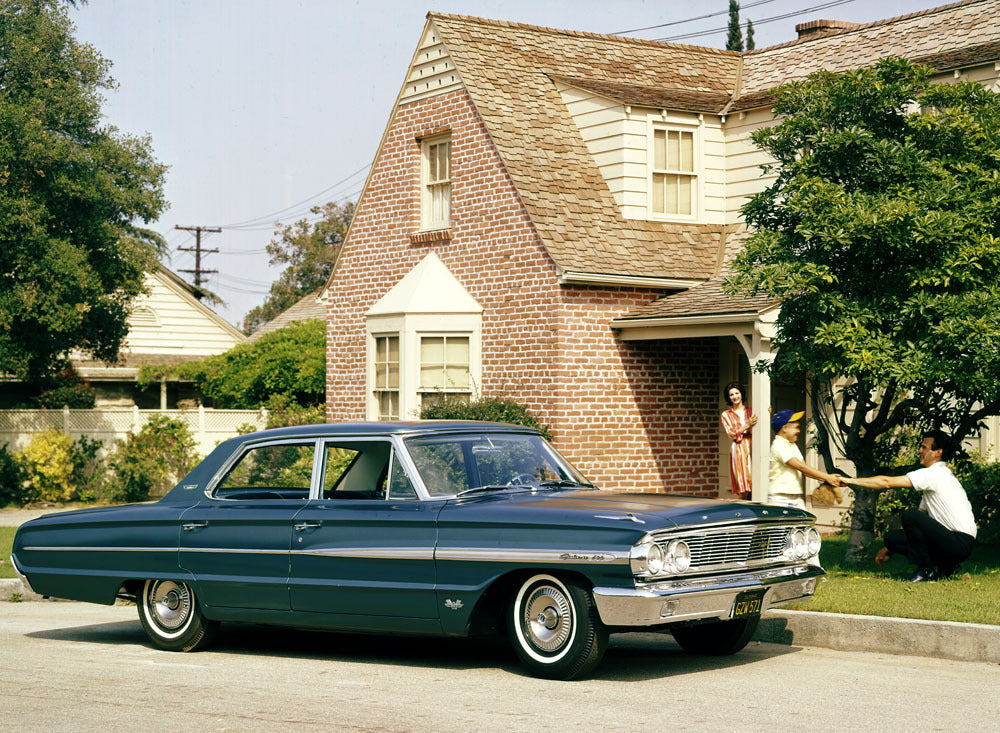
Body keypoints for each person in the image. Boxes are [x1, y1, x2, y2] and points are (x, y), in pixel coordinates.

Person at [846, 430, 976, 582]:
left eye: (924, 447)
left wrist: (850, 481)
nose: (920, 450)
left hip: (959, 542)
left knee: (910, 515)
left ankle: (926, 570)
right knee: (891, 538)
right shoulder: (938, 476)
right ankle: (947, 565)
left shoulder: (934, 474)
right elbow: (921, 519)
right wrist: (888, 548)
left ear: (937, 453)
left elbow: (887, 483)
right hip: (953, 542)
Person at [768, 409, 842, 509]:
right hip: (780, 498)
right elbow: (801, 467)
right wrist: (827, 477)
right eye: (796, 427)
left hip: (796, 497)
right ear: (784, 428)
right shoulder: (779, 445)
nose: (798, 431)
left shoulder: (792, 445)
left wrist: (829, 480)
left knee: (804, 523)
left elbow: (805, 470)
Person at [720, 381, 757, 499]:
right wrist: (747, 425)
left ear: (741, 394)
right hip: (739, 448)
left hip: (753, 446)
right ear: (728, 397)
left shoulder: (751, 411)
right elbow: (731, 433)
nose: (735, 397)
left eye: (737, 393)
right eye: (731, 395)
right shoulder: (726, 415)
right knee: (744, 485)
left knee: (756, 480)